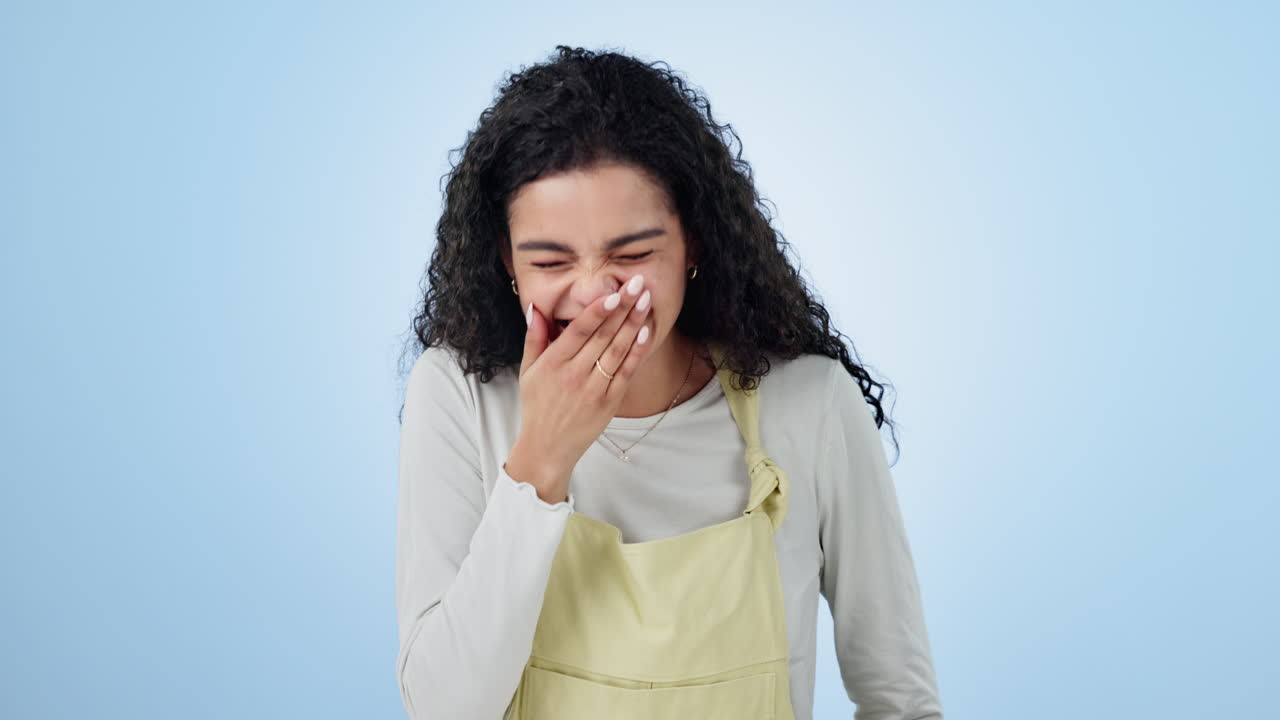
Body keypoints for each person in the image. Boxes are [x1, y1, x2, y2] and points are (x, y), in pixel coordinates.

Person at [395, 45, 944, 720]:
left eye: (631, 255)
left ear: (695, 245)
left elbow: (901, 699)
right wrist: (541, 461)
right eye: (550, 260)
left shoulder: (813, 404)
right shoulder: (458, 394)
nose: (596, 295)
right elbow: (444, 708)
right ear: (508, 262)